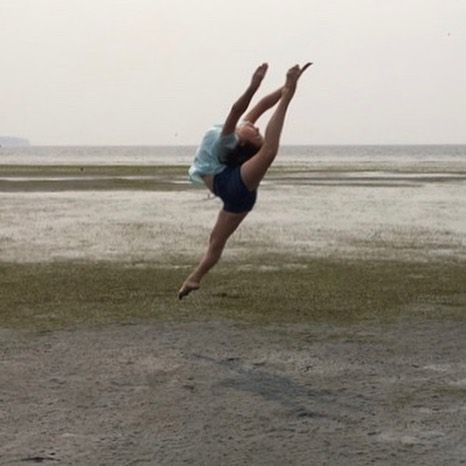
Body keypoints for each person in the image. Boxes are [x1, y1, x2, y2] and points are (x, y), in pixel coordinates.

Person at [178, 62, 312, 299]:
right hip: (239, 198)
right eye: (256, 130)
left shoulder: (227, 140)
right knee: (215, 243)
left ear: (242, 144)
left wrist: (256, 86)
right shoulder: (242, 132)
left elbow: (235, 109)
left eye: (256, 133)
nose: (255, 126)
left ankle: (196, 277)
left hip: (231, 185)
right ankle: (194, 279)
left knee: (269, 152)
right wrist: (286, 86)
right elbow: (261, 105)